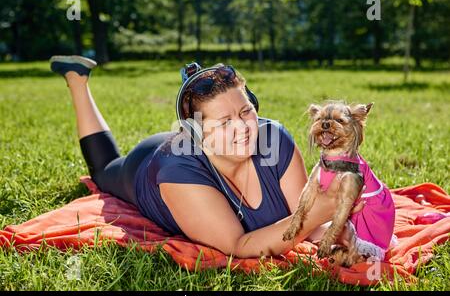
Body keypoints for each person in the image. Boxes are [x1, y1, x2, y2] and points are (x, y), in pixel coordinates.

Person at [49, 55, 360, 259]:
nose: (242, 128)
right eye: (225, 122)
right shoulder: (177, 172)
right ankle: (77, 80)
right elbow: (239, 246)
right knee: (104, 173)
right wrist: (318, 215)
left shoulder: (275, 139)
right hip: (149, 164)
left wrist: (336, 231)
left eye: (245, 111)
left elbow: (303, 215)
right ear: (197, 134)